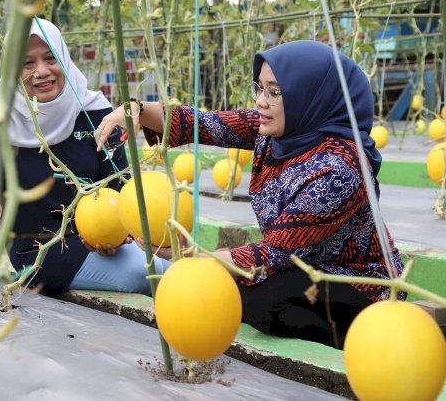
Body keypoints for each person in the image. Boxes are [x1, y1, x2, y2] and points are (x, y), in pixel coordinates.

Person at [95, 40, 405, 348]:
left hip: (359, 284)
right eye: (259, 88)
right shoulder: (278, 128)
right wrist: (134, 109)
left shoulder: (339, 169)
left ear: (310, 95)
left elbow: (275, 253)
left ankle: (369, 340)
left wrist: (190, 257)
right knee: (240, 286)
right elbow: (204, 124)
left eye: (275, 92)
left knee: (259, 300)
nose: (261, 100)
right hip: (305, 267)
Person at [0, 18, 170, 296]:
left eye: (50, 58)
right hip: (37, 251)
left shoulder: (95, 112)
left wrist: (117, 232)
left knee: (161, 260)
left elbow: (120, 184)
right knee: (147, 273)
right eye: (27, 63)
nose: (42, 71)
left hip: (100, 239)